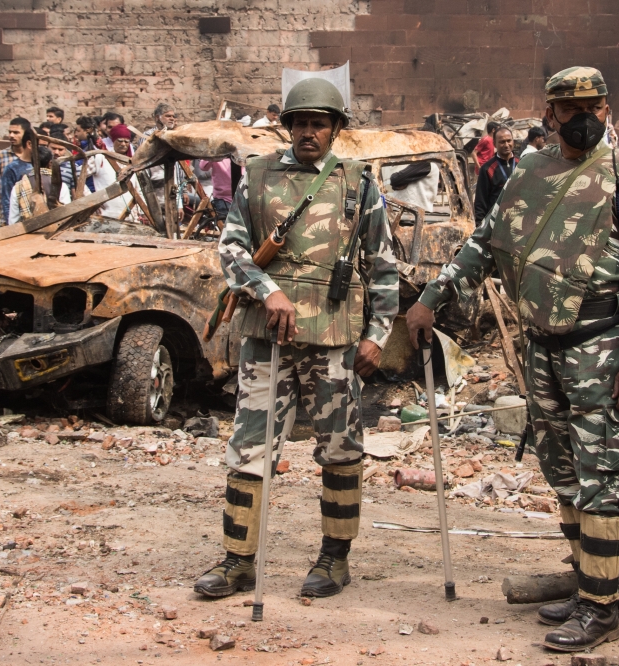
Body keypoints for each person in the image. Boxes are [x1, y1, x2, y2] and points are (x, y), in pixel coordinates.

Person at [407, 66, 619, 652]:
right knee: (564, 474)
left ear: (607, 110)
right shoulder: (527, 169)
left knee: (603, 478)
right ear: (549, 114)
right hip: (542, 348)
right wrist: (433, 295)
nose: (584, 117)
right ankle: (592, 588)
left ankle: (601, 610)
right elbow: (486, 240)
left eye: (595, 107)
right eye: (570, 107)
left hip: (602, 347)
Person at [194, 77, 398, 602]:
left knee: (341, 450)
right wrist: (266, 290)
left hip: (333, 343)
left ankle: (335, 559)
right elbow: (232, 247)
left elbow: (383, 267)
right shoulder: (257, 177)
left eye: (319, 123)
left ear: (335, 129)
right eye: (300, 122)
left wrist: (377, 334)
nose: (309, 132)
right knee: (248, 449)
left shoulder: (359, 185)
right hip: (268, 339)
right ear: (288, 127)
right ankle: (238, 560)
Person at [8, 146, 71, 224]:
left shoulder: (18, 187)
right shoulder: (61, 186)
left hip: (26, 234)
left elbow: (13, 221)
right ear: (50, 163)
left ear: (32, 162)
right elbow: (66, 216)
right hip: (54, 233)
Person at [0, 117, 31, 222]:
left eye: (16, 132)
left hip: (30, 213)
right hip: (7, 213)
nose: (11, 135)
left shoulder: (34, 157)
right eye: (10, 132)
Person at [474, 126, 517, 223]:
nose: (506, 145)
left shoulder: (522, 164)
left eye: (509, 141)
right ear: (494, 144)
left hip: (519, 221)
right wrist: (479, 227)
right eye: (502, 142)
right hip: (496, 223)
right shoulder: (487, 169)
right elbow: (480, 202)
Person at [0, 125, 36, 224]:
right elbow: (7, 201)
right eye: (42, 146)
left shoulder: (44, 165)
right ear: (29, 144)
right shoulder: (13, 168)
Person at [198, 156, 241, 222]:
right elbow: (203, 166)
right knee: (227, 228)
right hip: (223, 199)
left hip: (242, 197)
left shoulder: (242, 150)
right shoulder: (217, 151)